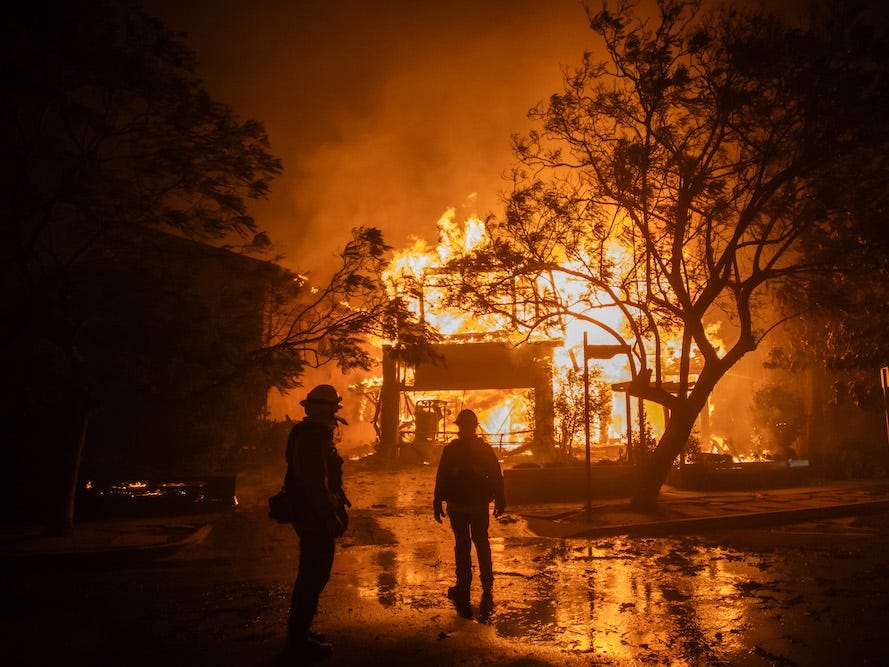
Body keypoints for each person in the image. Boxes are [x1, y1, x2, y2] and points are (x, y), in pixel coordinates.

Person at [282, 384, 350, 664]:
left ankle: (302, 633)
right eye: (332, 409)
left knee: (312, 576)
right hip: (314, 517)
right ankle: (297, 642)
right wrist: (329, 515)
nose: (334, 415)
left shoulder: (312, 434)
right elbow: (314, 482)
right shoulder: (312, 438)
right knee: (313, 576)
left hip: (310, 514)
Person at [433, 409, 506, 617]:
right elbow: (495, 475)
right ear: (475, 427)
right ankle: (486, 582)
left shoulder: (451, 450)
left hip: (458, 505)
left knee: (463, 544)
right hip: (477, 504)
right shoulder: (484, 449)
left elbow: (442, 476)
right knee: (481, 542)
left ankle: (463, 586)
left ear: (459, 427)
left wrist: (437, 502)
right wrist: (501, 499)